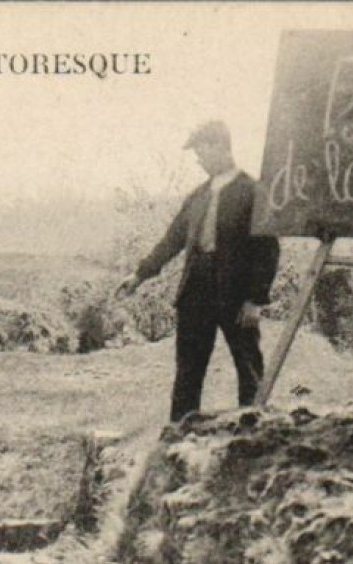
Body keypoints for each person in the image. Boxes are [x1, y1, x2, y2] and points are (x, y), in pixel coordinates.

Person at [116, 120, 281, 422]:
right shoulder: (198, 195)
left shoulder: (254, 191)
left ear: (220, 147)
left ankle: (256, 433)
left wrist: (255, 300)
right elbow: (172, 240)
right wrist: (139, 275)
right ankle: (179, 435)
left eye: (201, 152)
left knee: (248, 366)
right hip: (196, 291)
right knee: (188, 369)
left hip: (237, 295)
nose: (198, 160)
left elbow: (267, 249)